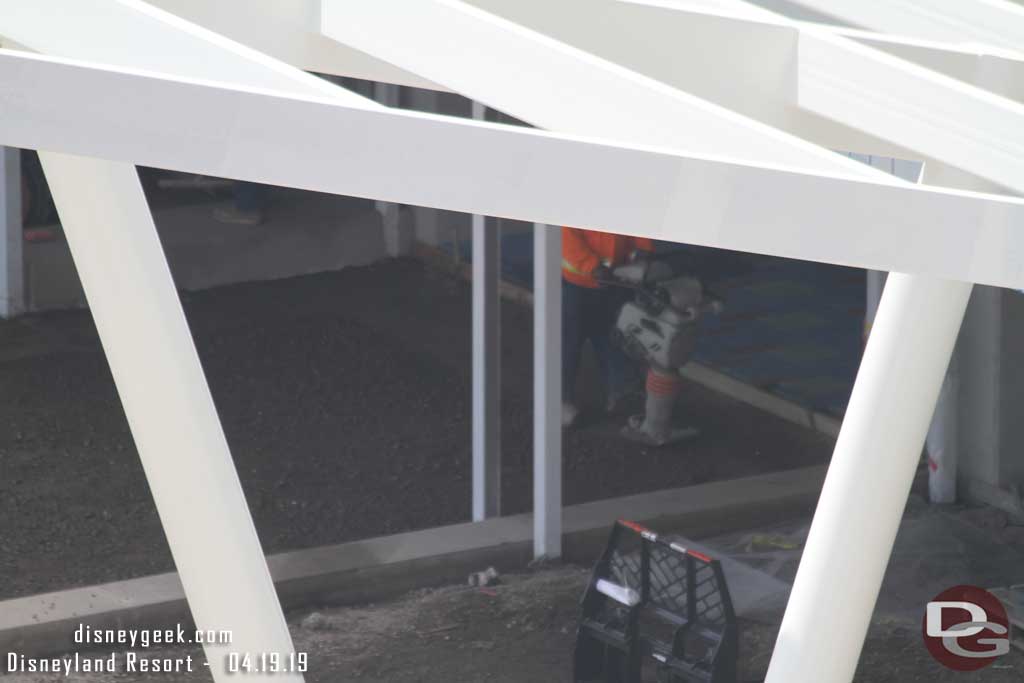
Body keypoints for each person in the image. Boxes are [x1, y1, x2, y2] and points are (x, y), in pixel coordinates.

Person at [561, 227, 654, 428]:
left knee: (616, 337)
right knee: (568, 343)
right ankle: (560, 400)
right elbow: (566, 235)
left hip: (615, 281)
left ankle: (622, 391)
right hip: (578, 284)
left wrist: (643, 248)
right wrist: (593, 266)